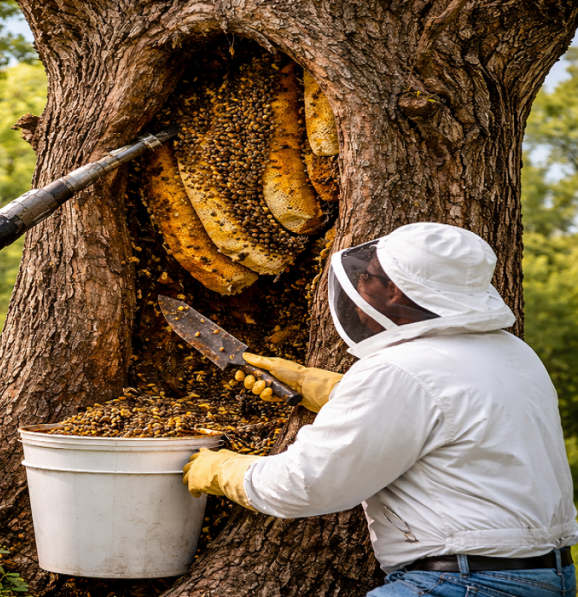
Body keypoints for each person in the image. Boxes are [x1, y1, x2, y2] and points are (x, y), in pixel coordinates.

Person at [183, 222, 578, 597]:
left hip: (463, 582)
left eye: (368, 276)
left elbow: (307, 484)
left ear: (397, 292)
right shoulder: (513, 353)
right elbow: (442, 415)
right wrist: (314, 385)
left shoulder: (400, 369)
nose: (359, 284)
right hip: (549, 576)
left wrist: (221, 469)